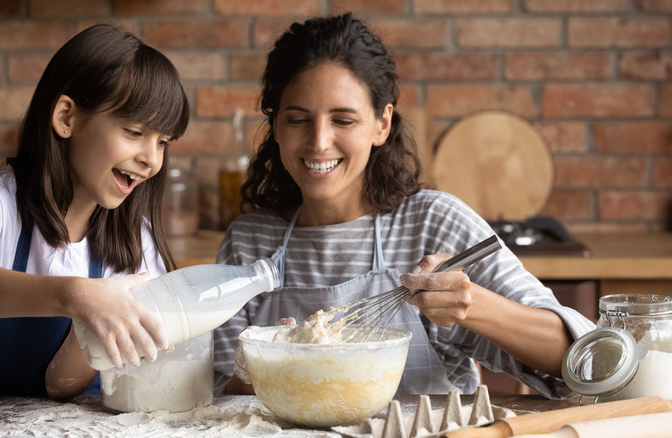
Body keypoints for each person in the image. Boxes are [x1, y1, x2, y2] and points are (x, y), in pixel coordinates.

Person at [213, 13, 595, 399]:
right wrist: (257, 368)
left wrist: (474, 305)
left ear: (382, 124)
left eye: (343, 121)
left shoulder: (432, 225)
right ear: (276, 125)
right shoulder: (249, 242)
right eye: (298, 120)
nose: (319, 142)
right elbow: (213, 402)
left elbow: (586, 360)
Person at [0, 24, 189, 399]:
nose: (151, 159)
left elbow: (61, 385)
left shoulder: (135, 240)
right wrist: (76, 297)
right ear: (66, 118)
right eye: (134, 132)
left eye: (163, 142)